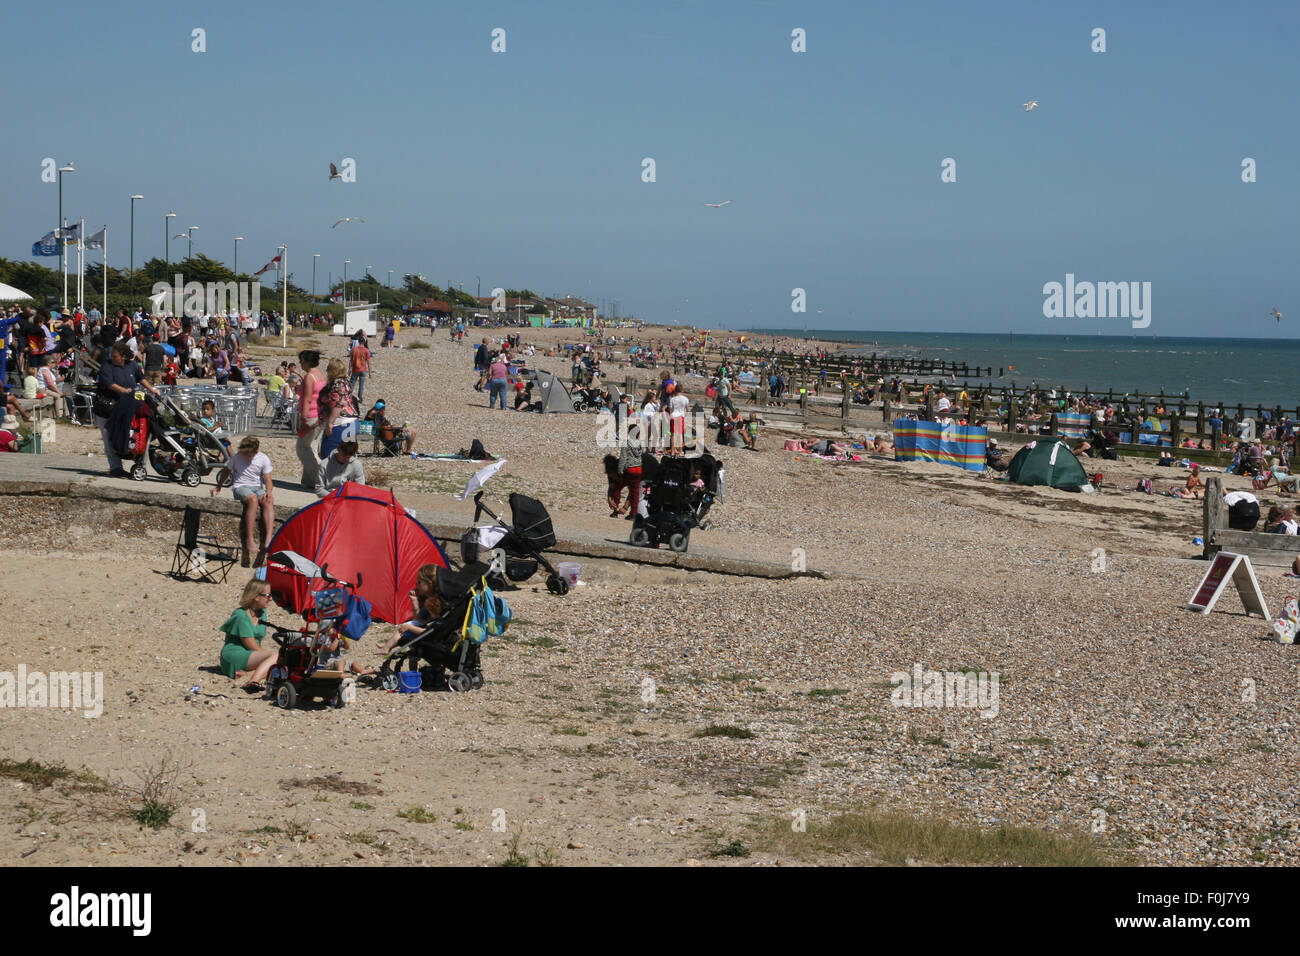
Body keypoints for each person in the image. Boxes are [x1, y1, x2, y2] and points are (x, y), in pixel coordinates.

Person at [94, 341, 157, 478]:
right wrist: (124, 390)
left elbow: (141, 379)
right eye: (112, 355)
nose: (113, 358)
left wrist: (152, 390)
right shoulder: (107, 366)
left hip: (127, 406)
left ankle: (139, 462)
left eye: (115, 356)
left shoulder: (132, 365)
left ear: (123, 356)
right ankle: (116, 467)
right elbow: (109, 384)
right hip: (108, 407)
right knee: (108, 437)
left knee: (133, 434)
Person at [211, 436, 276, 567]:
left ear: (255, 451)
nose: (245, 455)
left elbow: (268, 479)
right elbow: (226, 472)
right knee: (252, 500)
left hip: (257, 487)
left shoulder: (263, 458)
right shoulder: (236, 456)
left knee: (268, 501)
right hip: (240, 487)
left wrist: (268, 491)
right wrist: (218, 486)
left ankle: (269, 538)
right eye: (244, 452)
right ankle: (249, 540)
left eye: (248, 453)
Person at [219, 578, 279, 692]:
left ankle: (247, 674)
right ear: (256, 597)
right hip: (234, 653)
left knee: (281, 663)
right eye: (268, 595)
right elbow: (252, 646)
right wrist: (272, 657)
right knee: (277, 657)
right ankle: (254, 681)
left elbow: (258, 642)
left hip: (249, 654)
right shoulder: (241, 616)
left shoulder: (262, 613)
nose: (271, 599)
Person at [295, 350, 326, 488]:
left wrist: (303, 419)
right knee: (311, 447)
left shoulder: (309, 377)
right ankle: (307, 481)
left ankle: (321, 478)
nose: (300, 363)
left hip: (311, 416)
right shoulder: (321, 375)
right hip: (320, 415)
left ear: (307, 361)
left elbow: (307, 399)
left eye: (301, 360)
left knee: (302, 448)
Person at [666, 383, 689, 456]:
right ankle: (680, 450)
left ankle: (672, 451)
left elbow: (670, 410)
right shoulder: (685, 399)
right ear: (682, 390)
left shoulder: (672, 399)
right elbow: (688, 409)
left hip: (673, 416)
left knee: (673, 435)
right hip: (680, 416)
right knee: (680, 435)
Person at [349, 334, 371, 403]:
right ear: (364, 342)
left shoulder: (354, 350)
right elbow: (369, 362)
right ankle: (360, 399)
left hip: (355, 369)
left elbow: (351, 360)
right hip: (363, 369)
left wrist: (349, 369)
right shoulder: (367, 350)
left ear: (358, 341)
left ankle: (349, 397)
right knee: (361, 385)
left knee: (352, 383)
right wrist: (370, 373)